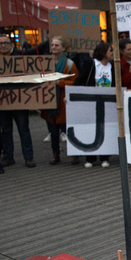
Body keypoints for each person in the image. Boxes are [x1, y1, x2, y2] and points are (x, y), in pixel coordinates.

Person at [0, 35, 36, 168]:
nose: (3, 46)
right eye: (0, 44)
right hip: (2, 99)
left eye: (5, 43)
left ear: (11, 44)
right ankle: (8, 156)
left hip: (19, 99)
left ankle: (28, 157)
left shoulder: (20, 55)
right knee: (5, 129)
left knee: (23, 128)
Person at [74, 42, 115, 168]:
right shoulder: (91, 64)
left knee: (106, 128)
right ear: (103, 52)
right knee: (91, 128)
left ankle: (105, 157)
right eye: (110, 50)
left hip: (107, 102)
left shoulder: (113, 66)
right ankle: (90, 157)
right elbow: (80, 80)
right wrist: (70, 94)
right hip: (92, 102)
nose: (112, 53)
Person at [40, 37, 79, 165]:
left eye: (57, 45)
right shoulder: (44, 63)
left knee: (69, 130)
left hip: (64, 102)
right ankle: (55, 154)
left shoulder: (69, 64)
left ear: (63, 48)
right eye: (52, 45)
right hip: (49, 101)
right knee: (53, 131)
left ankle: (74, 154)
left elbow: (75, 82)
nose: (54, 47)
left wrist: (59, 82)